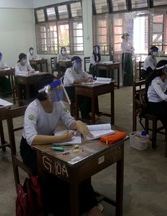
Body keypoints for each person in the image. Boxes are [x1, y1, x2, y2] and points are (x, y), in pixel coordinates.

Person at [20, 74, 103, 216]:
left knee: (78, 164)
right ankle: (67, 208)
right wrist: (59, 139)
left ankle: (88, 205)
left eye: (59, 86)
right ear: (45, 92)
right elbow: (31, 138)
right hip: (31, 149)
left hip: (51, 142)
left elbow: (69, 120)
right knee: (57, 172)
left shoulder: (58, 104)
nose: (59, 89)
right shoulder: (33, 108)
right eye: (56, 87)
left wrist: (78, 123)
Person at [63, 56, 99, 121]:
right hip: (70, 90)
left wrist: (90, 78)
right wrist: (85, 79)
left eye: (80, 62)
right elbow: (73, 81)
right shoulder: (69, 71)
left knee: (93, 94)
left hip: (79, 88)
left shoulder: (80, 70)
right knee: (84, 97)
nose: (79, 64)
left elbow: (89, 75)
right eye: (78, 62)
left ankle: (93, 113)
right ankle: (85, 117)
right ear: (73, 63)